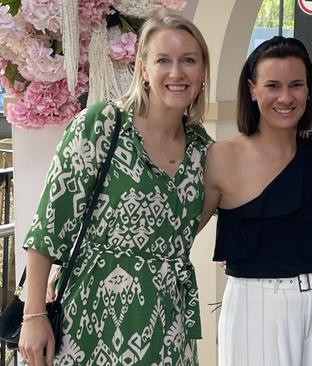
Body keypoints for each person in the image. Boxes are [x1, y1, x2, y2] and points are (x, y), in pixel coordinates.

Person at [19, 13, 212, 365]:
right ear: (142, 67)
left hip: (168, 324)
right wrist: (34, 315)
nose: (176, 72)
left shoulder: (204, 150)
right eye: (163, 60)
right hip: (92, 317)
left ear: (202, 70)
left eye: (188, 60)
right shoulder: (103, 124)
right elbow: (49, 225)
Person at [200, 36, 312, 366]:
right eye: (272, 85)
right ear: (252, 90)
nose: (285, 97)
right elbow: (177, 231)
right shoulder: (223, 155)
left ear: (309, 90)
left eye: (296, 85)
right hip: (256, 304)